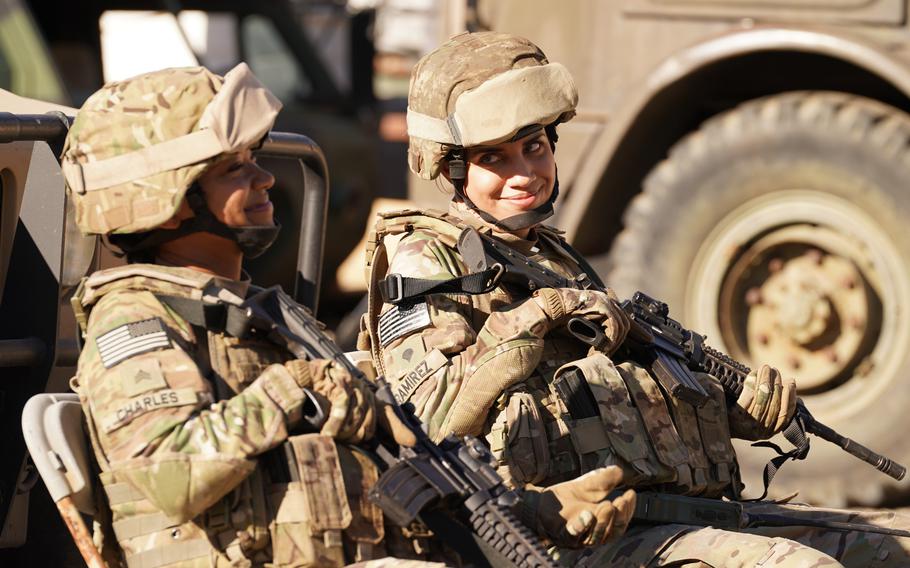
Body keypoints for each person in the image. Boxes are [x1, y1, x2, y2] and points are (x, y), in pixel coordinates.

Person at [361, 31, 910, 567]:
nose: (524, 174)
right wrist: (535, 318)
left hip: (664, 515)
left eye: (534, 147)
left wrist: (733, 414)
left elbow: (611, 400)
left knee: (895, 546)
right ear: (451, 167)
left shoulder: (550, 255)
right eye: (494, 159)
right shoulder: (427, 262)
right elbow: (430, 419)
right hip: (555, 536)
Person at [63, 63, 634, 567]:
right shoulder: (136, 321)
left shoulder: (253, 312)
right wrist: (294, 386)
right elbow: (174, 477)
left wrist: (531, 510)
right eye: (233, 169)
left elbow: (392, 467)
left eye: (253, 160)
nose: (264, 178)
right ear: (164, 202)